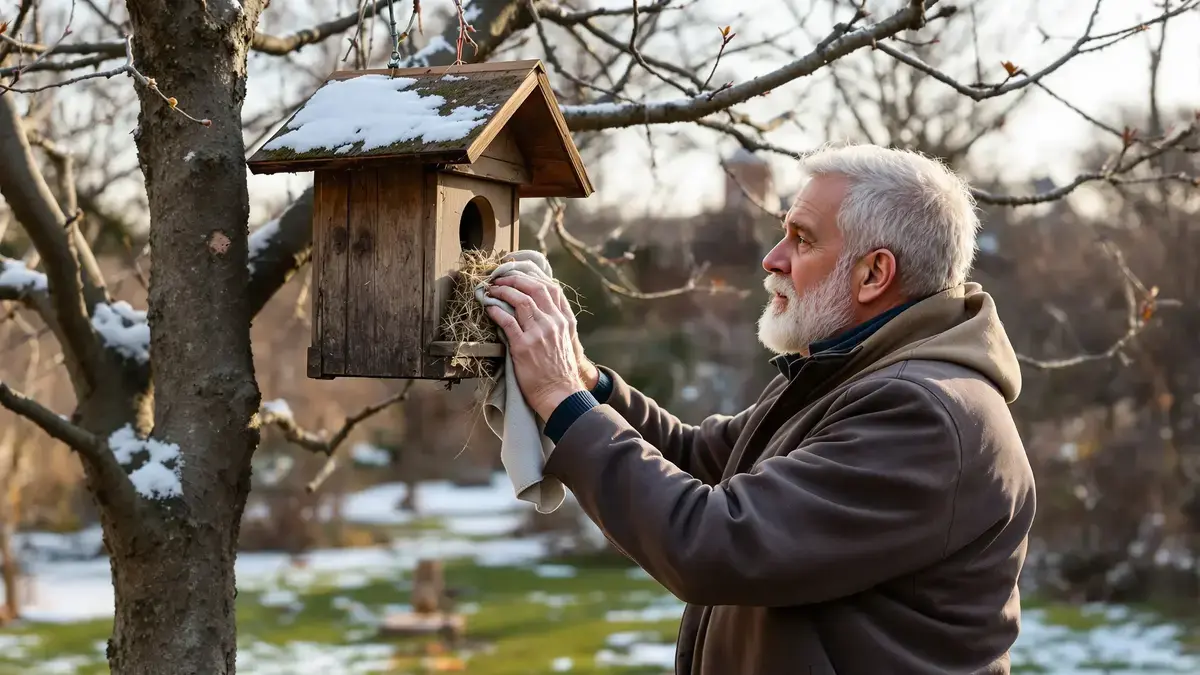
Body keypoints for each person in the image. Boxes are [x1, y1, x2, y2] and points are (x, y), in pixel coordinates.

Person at [483, 143, 1036, 675]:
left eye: (802, 239)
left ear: (874, 274)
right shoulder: (845, 374)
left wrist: (561, 399)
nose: (773, 259)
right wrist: (584, 379)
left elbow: (717, 543)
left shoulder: (922, 416)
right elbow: (700, 459)